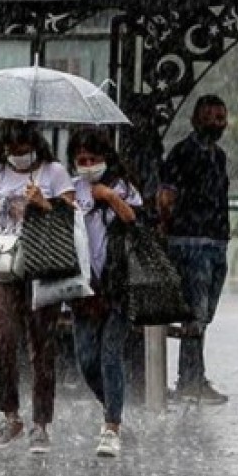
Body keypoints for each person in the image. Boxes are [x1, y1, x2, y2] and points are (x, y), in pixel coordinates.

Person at [0, 121, 75, 453]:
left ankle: (41, 422)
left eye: (24, 151)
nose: (18, 157)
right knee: (2, 339)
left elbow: (71, 218)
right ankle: (10, 414)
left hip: (42, 265)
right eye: (12, 151)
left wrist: (43, 203)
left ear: (34, 145)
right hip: (5, 265)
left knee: (41, 344)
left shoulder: (54, 173)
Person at [67, 127, 141, 457]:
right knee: (86, 359)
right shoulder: (71, 189)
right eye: (81, 160)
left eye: (93, 159)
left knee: (110, 354)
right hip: (85, 288)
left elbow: (135, 220)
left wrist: (109, 196)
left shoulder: (122, 186)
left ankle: (112, 426)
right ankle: (114, 407)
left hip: (118, 285)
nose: (87, 165)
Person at [158, 94, 230, 405]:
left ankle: (193, 375)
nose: (218, 123)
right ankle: (190, 378)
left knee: (205, 312)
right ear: (195, 120)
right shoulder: (182, 154)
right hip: (189, 242)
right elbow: (166, 198)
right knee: (195, 312)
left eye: (221, 118)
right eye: (211, 117)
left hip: (215, 242)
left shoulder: (219, 157)